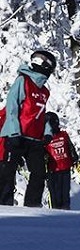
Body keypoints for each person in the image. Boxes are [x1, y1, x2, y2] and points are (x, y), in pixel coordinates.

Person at [0, 50, 57, 206]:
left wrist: (47, 132)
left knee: (39, 174)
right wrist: (13, 131)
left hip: (35, 140)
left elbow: (41, 113)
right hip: (17, 136)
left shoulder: (44, 91)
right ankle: (3, 206)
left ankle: (32, 206)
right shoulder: (23, 81)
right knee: (7, 172)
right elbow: (12, 106)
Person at [43, 112, 79, 210]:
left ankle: (66, 210)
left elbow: (70, 147)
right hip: (53, 170)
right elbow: (42, 153)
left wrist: (75, 159)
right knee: (56, 195)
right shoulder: (45, 138)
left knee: (65, 193)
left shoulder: (63, 134)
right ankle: (56, 212)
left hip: (65, 168)